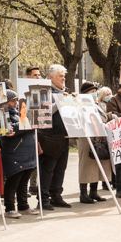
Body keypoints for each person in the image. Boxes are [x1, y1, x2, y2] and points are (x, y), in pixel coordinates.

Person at [36, 64, 72, 210]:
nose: (63, 78)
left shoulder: (66, 92)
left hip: (64, 136)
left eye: (64, 76)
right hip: (49, 137)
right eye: (60, 76)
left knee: (60, 169)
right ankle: (43, 200)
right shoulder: (43, 91)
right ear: (50, 77)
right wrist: (60, 102)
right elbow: (42, 113)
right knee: (47, 170)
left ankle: (56, 196)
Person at [0, 90, 35, 215]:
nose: (15, 103)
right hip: (14, 153)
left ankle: (23, 205)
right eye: (12, 100)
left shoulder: (20, 113)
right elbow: (10, 128)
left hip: (27, 153)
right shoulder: (2, 114)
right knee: (13, 180)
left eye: (16, 100)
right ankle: (9, 208)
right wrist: (28, 122)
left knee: (24, 180)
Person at [76, 82, 111, 204]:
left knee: (97, 165)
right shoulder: (80, 105)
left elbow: (103, 117)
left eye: (95, 91)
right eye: (92, 92)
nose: (94, 94)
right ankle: (83, 193)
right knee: (86, 165)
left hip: (98, 137)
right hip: (86, 138)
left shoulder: (97, 105)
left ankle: (94, 192)